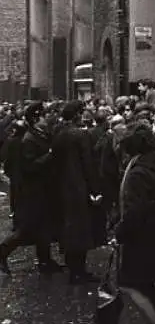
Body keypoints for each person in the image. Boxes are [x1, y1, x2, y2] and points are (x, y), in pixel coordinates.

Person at [113, 121, 155, 324]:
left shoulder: (138, 172)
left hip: (138, 238)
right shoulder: (154, 163)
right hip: (151, 234)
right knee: (145, 283)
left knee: (128, 283)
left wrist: (119, 231)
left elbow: (134, 210)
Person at [0, 102, 61, 275]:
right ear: (36, 119)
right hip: (32, 192)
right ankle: (2, 251)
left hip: (42, 190)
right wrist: (49, 155)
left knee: (44, 227)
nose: (47, 118)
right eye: (43, 116)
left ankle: (45, 261)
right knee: (27, 228)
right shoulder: (29, 139)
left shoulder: (40, 134)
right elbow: (30, 166)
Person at [52, 100, 105, 283]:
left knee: (69, 229)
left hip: (62, 188)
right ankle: (78, 271)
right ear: (76, 115)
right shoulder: (81, 136)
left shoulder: (58, 134)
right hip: (79, 188)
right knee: (81, 230)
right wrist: (95, 189)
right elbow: (88, 164)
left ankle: (72, 267)